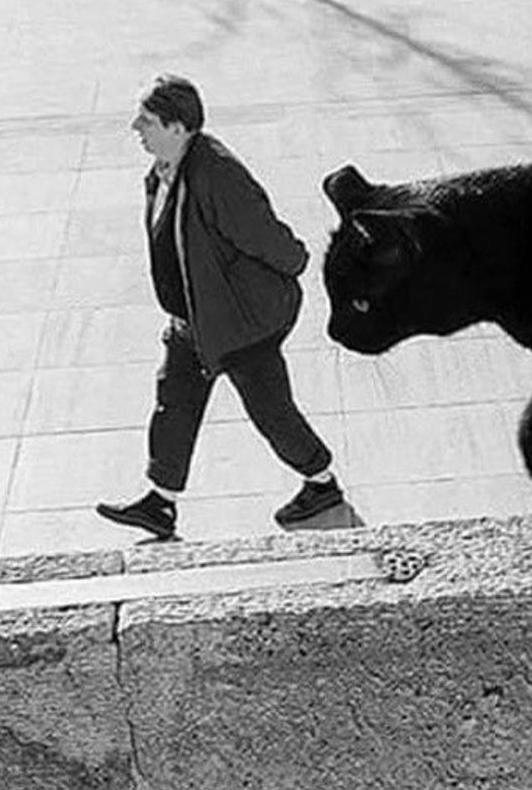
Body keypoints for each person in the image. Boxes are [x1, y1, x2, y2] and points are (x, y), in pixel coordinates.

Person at [97, 76, 349, 541]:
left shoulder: (216, 174)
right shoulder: (163, 168)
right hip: (193, 320)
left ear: (178, 127)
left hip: (239, 323)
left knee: (271, 412)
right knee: (173, 403)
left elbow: (262, 233)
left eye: (147, 120)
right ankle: (160, 501)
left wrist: (295, 260)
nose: (136, 127)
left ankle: (321, 482)